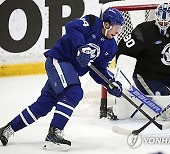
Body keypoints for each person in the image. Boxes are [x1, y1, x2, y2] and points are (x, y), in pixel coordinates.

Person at [0, 8, 124, 150]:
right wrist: (80, 47)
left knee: (43, 105)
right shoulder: (92, 22)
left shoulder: (112, 47)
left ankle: (7, 129)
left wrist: (110, 83)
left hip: (69, 71)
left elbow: (98, 70)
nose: (118, 31)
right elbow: (71, 26)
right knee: (74, 92)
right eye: (117, 26)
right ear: (107, 24)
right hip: (59, 60)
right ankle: (54, 133)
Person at [117, 3, 170, 96]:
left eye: (166, 22)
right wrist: (122, 75)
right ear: (156, 18)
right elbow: (123, 49)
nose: (163, 25)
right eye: (160, 22)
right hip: (147, 76)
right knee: (163, 98)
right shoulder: (144, 31)